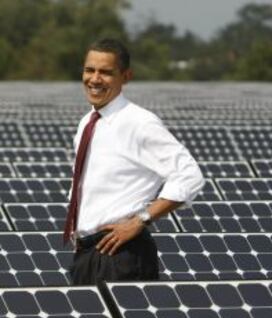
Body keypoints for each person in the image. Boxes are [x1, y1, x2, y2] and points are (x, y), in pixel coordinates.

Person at [66, 38, 204, 285]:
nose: (95, 79)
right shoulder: (87, 121)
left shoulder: (139, 123)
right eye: (90, 70)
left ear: (126, 76)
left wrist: (141, 220)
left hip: (121, 255)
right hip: (87, 254)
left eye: (106, 72)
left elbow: (189, 175)